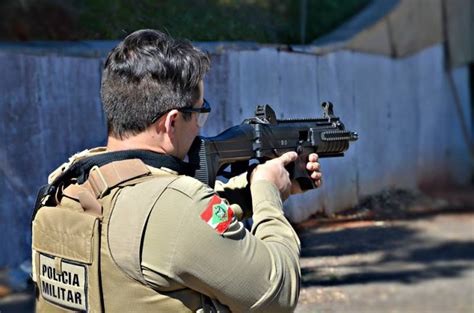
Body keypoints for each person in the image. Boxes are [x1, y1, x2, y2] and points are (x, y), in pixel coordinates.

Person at [31, 29, 322, 312]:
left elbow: (169, 225)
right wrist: (268, 194)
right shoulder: (179, 206)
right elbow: (278, 293)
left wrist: (250, 190)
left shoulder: (67, 181)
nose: (198, 127)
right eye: (199, 113)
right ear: (171, 123)